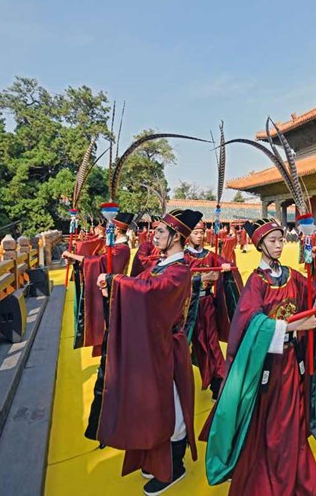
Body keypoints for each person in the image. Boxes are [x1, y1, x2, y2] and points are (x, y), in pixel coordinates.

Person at [202, 218, 316, 496]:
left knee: (291, 423)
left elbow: (315, 290)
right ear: (260, 244)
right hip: (267, 367)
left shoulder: (291, 274)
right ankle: (269, 476)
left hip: (291, 365)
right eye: (273, 241)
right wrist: (292, 326)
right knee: (271, 426)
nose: (279, 245)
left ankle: (292, 471)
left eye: (282, 240)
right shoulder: (256, 282)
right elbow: (251, 324)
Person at [92, 209, 203, 495]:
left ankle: (174, 465)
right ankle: (154, 458)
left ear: (177, 237)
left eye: (161, 232)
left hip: (168, 349)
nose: (155, 236)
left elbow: (149, 290)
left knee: (172, 408)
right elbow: (140, 283)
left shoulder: (179, 271)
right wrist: (113, 284)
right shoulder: (161, 265)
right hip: (152, 346)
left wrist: (116, 281)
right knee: (151, 405)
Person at [184, 220, 243, 400]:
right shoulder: (183, 257)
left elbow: (229, 266)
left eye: (201, 232)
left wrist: (225, 268)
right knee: (190, 344)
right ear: (188, 235)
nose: (199, 236)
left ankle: (218, 382)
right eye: (195, 232)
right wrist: (202, 277)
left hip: (206, 304)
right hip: (187, 308)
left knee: (211, 343)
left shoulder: (210, 255)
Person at [63, 212, 132, 356]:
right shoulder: (115, 247)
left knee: (110, 329)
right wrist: (75, 259)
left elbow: (98, 262)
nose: (107, 230)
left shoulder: (122, 249)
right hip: (107, 289)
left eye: (109, 227)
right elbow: (96, 259)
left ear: (117, 230)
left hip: (113, 292)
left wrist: (72, 255)